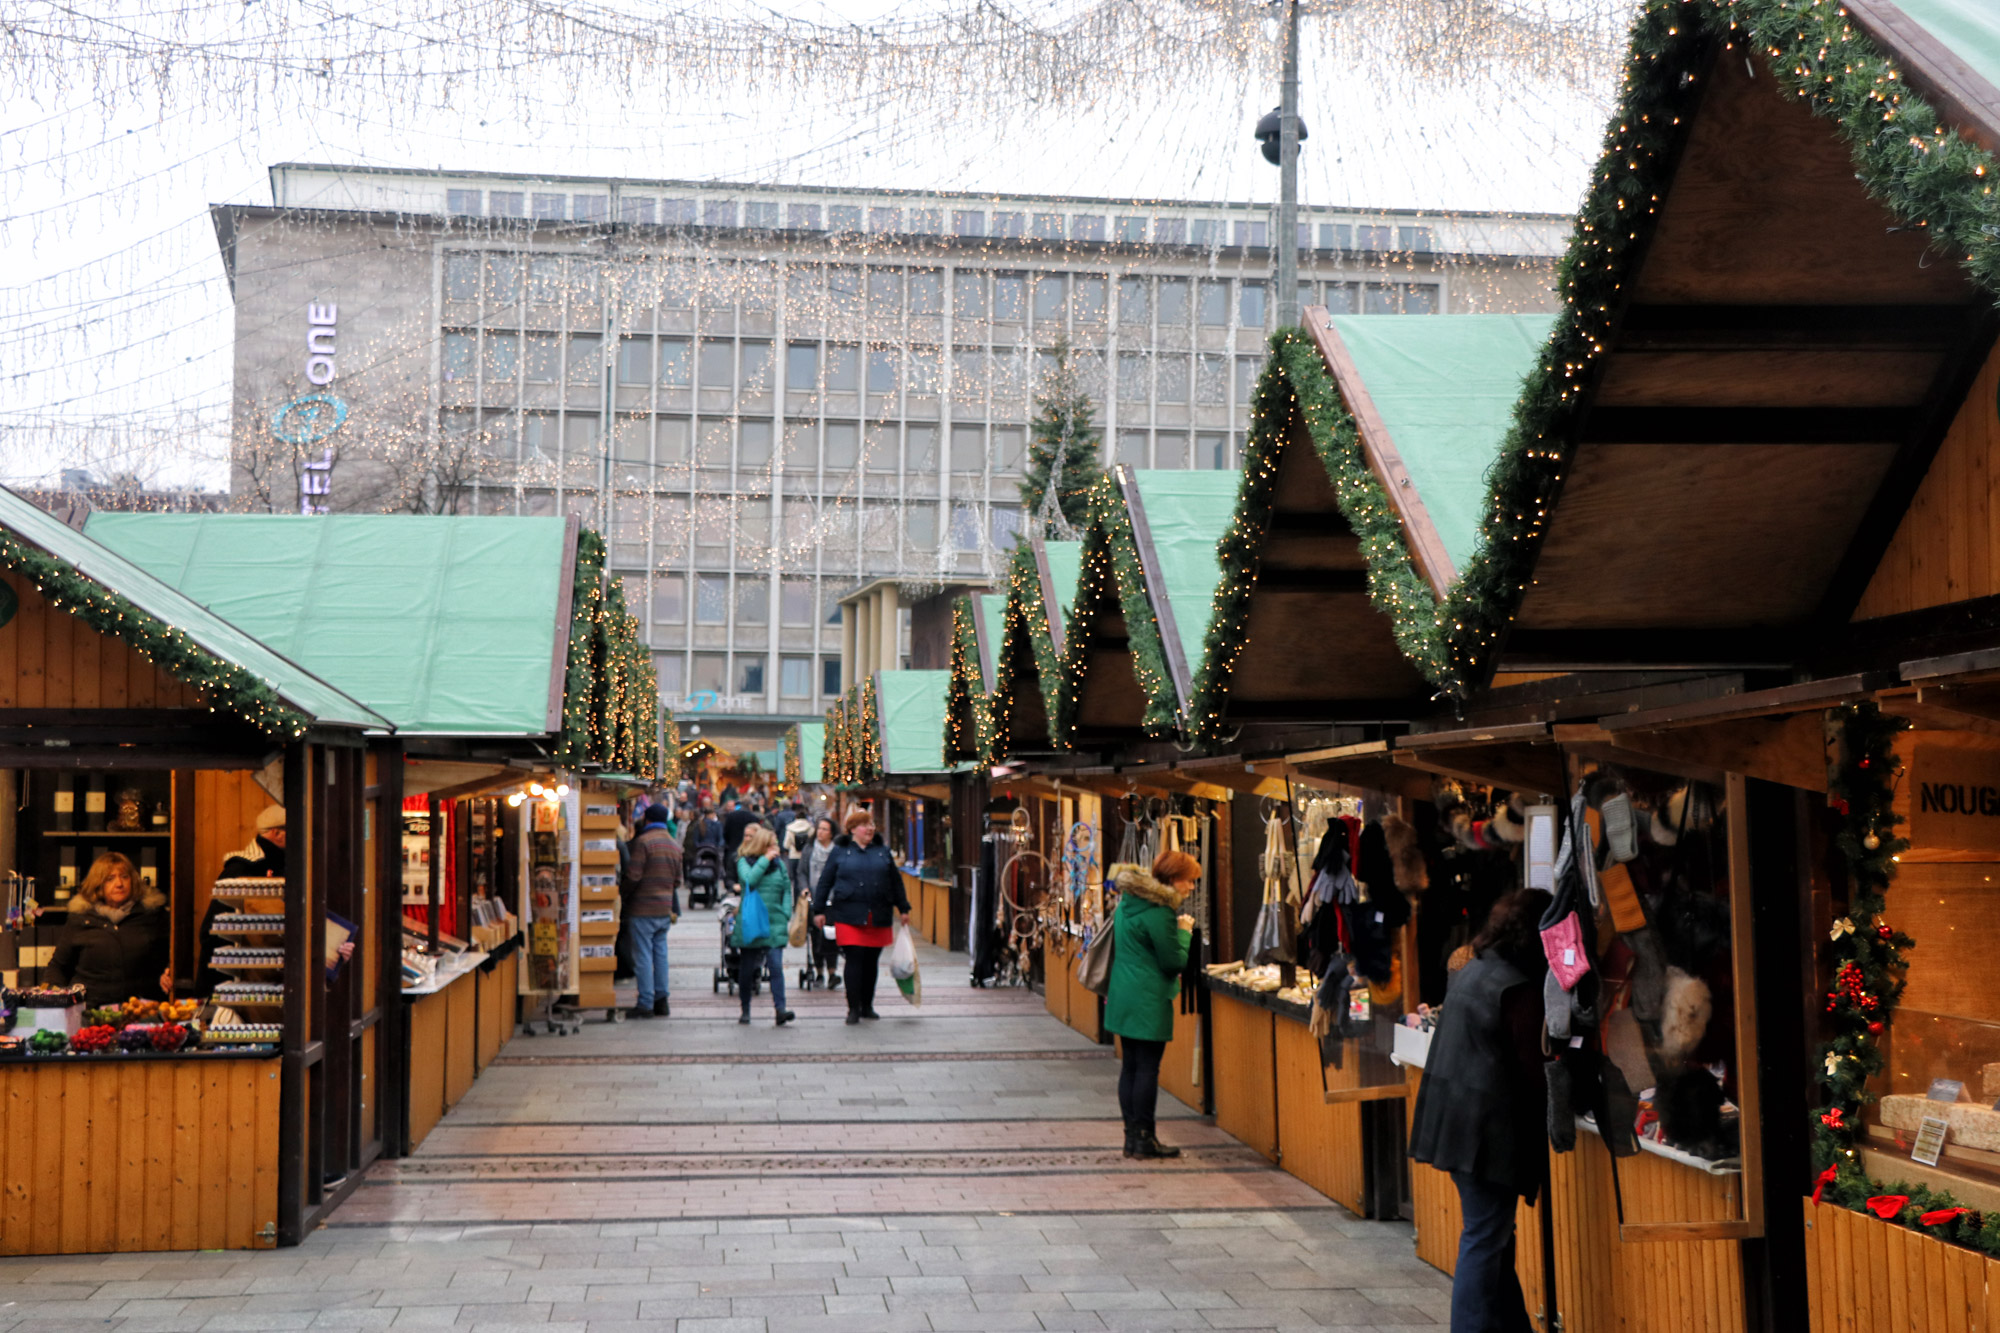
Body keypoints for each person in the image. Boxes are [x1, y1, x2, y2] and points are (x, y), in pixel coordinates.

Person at [1407, 889, 1554, 1333]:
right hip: (1485, 1132)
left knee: (1492, 1237)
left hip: (1456, 1122)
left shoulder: (1473, 969)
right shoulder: (1518, 988)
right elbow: (1534, 1066)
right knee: (1485, 1238)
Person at [1102, 850, 1198, 1160]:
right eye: (1189, 881)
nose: (1192, 888)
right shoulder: (1160, 912)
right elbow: (1173, 962)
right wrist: (1184, 932)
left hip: (1122, 996)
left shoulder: (1126, 904)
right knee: (1146, 1069)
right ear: (1172, 880)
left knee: (1130, 1067)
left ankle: (1132, 1138)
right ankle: (1145, 1138)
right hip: (1147, 1000)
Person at [812, 807, 909, 1025]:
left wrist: (903, 908)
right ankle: (853, 1008)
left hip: (877, 914)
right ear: (853, 829)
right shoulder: (840, 851)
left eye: (872, 825)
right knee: (854, 960)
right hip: (849, 914)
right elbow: (826, 881)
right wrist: (818, 910)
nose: (870, 829)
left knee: (871, 962)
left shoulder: (882, 851)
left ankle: (867, 1005)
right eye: (866, 825)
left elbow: (895, 881)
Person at [49, 852, 171, 1008]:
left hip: (142, 1010)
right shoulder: (80, 919)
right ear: (98, 885)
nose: (119, 884)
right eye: (110, 879)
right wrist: (53, 1000)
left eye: (125, 877)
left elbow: (174, 955)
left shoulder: (153, 915)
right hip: (91, 1011)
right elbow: (58, 966)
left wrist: (169, 971)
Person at [622, 802, 683, 1019]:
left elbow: (634, 876)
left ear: (647, 819)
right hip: (664, 908)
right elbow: (678, 880)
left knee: (643, 956)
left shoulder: (644, 842)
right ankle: (661, 1000)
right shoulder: (674, 844)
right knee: (660, 954)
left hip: (642, 908)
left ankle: (645, 1003)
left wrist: (623, 892)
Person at [732, 825, 796, 1026]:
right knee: (748, 968)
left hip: (775, 920)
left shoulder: (779, 865)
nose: (776, 848)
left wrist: (786, 911)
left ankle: (780, 1009)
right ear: (762, 845)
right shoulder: (743, 862)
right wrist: (765, 859)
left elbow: (787, 888)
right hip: (752, 921)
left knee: (776, 966)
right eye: (772, 845)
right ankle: (745, 1009)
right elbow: (750, 880)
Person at [798, 815, 841, 989]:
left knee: (831, 935)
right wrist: (804, 888)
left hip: (833, 900)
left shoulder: (837, 850)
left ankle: (832, 972)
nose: (820, 832)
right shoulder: (809, 849)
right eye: (819, 828)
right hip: (813, 899)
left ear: (832, 833)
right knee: (815, 936)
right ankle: (819, 972)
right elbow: (801, 872)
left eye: (825, 829)